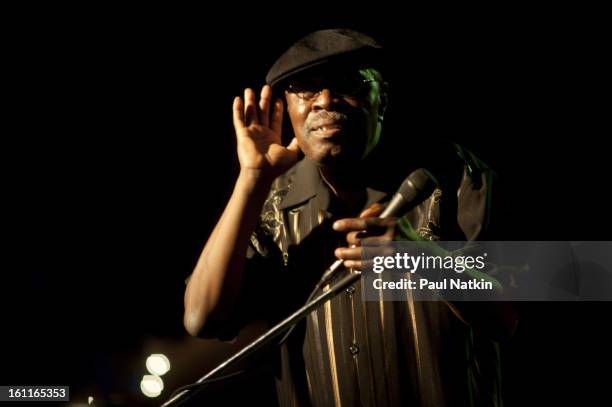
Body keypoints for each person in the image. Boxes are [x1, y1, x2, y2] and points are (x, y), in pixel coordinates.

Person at [183, 28, 517, 406]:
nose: (325, 100)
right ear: (287, 109)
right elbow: (201, 318)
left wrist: (420, 256)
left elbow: (504, 319)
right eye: (305, 89)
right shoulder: (272, 203)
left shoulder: (456, 176)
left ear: (383, 97)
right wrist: (252, 179)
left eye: (348, 84)